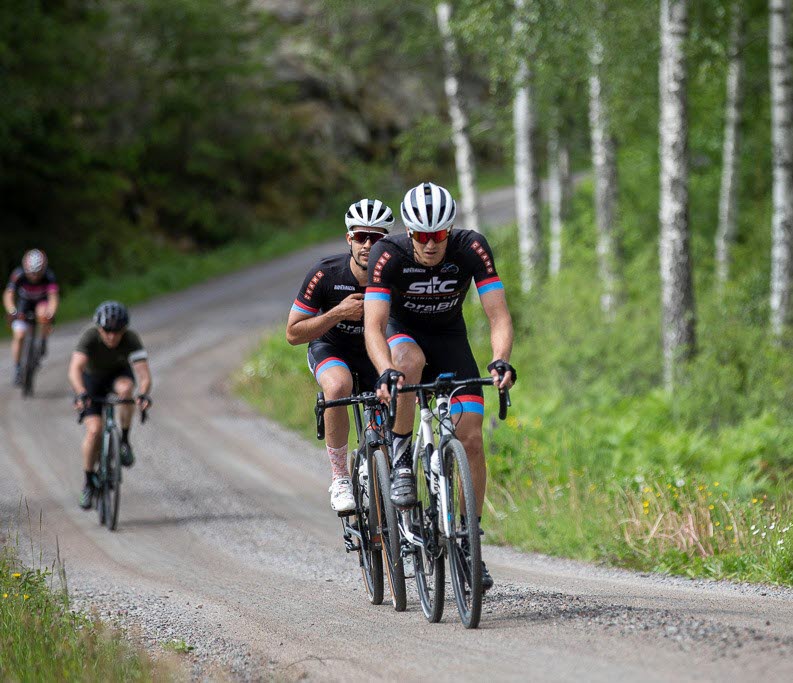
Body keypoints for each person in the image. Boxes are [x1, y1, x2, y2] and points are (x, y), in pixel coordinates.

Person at [363, 181, 516, 592]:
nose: (431, 245)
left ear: (450, 230)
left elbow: (498, 316)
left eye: (439, 235)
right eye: (422, 236)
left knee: (471, 440)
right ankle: (399, 453)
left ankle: (468, 541)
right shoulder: (387, 253)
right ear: (409, 233)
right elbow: (373, 325)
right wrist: (384, 369)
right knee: (409, 363)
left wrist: (500, 359)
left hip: (451, 341)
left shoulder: (472, 248)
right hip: (403, 335)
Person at [286, 199, 394, 512]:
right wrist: (337, 312)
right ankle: (340, 476)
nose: (368, 245)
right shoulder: (325, 274)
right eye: (361, 237)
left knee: (382, 438)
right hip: (332, 348)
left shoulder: (393, 273)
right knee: (337, 387)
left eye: (376, 238)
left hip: (376, 355)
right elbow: (293, 333)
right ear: (349, 238)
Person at [68, 301, 152, 510]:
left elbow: (144, 374)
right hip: (92, 381)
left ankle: (123, 440)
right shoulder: (89, 337)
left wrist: (143, 394)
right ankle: (88, 481)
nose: (112, 336)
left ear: (124, 329)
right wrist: (81, 394)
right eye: (107, 331)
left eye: (117, 332)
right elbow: (75, 369)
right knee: (94, 430)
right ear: (99, 328)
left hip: (118, 374)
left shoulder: (131, 339)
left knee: (126, 390)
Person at [3, 249, 59, 386]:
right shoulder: (18, 275)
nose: (34, 276)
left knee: (43, 313)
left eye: (38, 273)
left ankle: (43, 340)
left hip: (41, 303)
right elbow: (8, 295)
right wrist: (12, 311)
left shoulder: (48, 276)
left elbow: (53, 297)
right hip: (23, 305)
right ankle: (17, 368)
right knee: (19, 335)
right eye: (32, 273)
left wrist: (51, 313)